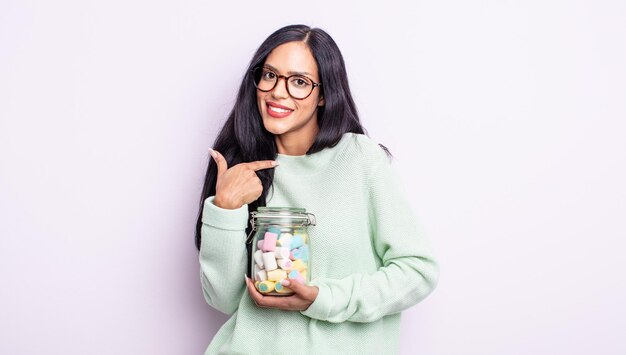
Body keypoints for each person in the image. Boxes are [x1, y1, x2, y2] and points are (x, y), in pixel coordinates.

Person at [195, 24, 439, 354]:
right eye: (269, 75)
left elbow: (417, 270)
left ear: (323, 94)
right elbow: (224, 299)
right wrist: (225, 207)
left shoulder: (360, 159)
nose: (278, 92)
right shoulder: (239, 168)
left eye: (299, 82)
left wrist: (321, 298)